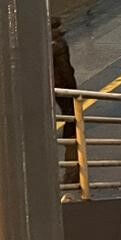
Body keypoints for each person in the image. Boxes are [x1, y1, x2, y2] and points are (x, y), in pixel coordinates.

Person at [52, 16, 77, 151]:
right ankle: (69, 137)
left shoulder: (44, 43)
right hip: (62, 84)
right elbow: (65, 68)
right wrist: (73, 87)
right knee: (70, 110)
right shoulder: (60, 44)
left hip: (51, 83)